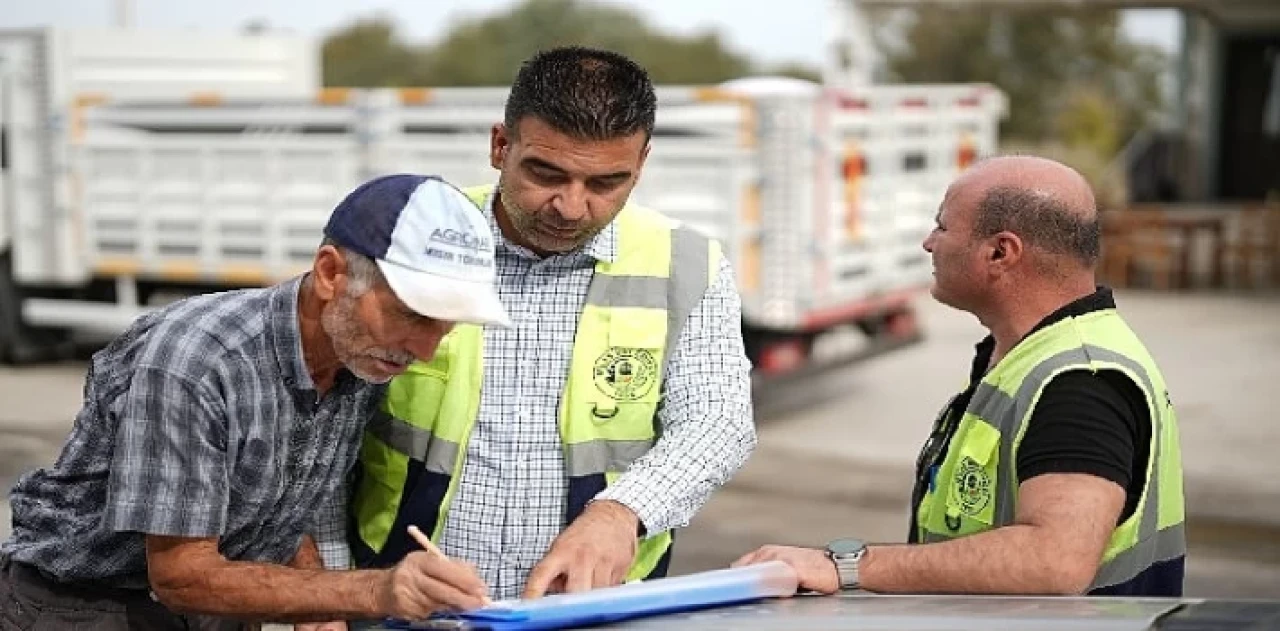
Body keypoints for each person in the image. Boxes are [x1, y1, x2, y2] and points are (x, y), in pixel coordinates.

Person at [321, 46, 756, 602]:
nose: (571, 208)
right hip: (401, 605)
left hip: (593, 610)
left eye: (606, 184)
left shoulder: (688, 265)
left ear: (641, 162)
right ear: (501, 146)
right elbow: (319, 429)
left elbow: (718, 422)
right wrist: (330, 586)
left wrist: (622, 513)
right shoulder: (415, 239)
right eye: (546, 174)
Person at [0, 174, 511, 631]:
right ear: (331, 274)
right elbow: (180, 576)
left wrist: (320, 607)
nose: (425, 351)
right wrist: (375, 591)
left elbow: (282, 503)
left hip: (214, 609)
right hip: (84, 608)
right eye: (413, 316)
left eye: (446, 327)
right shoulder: (198, 359)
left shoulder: (360, 354)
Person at [733, 156, 1186, 597]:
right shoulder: (1029, 354)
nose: (929, 243)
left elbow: (1055, 560)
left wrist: (849, 566)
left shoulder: (1079, 381)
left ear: (999, 252)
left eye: (943, 227)